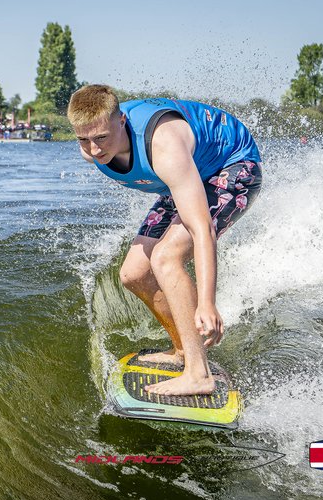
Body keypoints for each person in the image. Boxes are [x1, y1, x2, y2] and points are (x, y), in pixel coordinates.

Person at [67, 85, 263, 396]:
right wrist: (95, 141)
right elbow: (97, 144)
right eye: (83, 140)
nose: (93, 149)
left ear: (121, 121)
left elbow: (202, 229)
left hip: (233, 167)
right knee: (133, 274)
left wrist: (207, 303)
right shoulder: (93, 144)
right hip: (189, 174)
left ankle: (199, 375)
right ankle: (184, 350)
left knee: (165, 257)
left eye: (101, 138)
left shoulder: (163, 144)